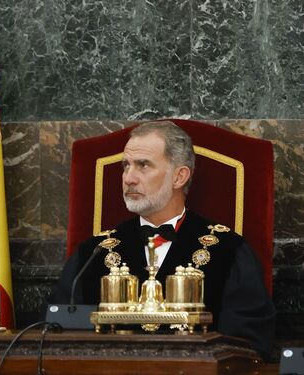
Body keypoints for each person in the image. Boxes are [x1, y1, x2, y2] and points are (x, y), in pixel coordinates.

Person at [48, 121, 275, 358]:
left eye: (143, 165)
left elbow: (247, 346)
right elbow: (60, 339)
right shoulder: (93, 254)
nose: (129, 178)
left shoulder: (228, 251)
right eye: (126, 166)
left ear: (179, 177)